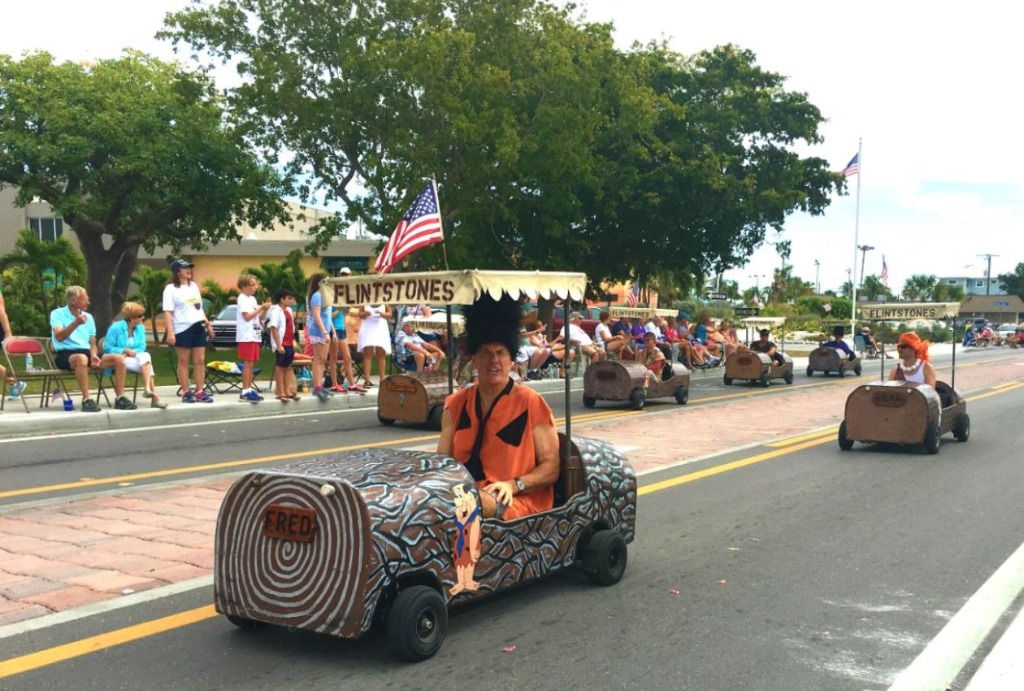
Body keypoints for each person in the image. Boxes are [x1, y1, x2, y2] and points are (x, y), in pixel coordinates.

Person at [437, 294, 560, 520]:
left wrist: (515, 485)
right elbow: (441, 464)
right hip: (463, 495)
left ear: (511, 360)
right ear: (474, 358)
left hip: (517, 500)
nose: (494, 360)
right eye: (485, 353)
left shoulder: (530, 402)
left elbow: (551, 467)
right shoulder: (455, 404)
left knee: (473, 504)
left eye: (500, 353)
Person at [51, 286, 135, 412]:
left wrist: (94, 354)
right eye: (85, 299)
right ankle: (86, 400)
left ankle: (120, 398)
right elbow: (59, 337)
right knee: (82, 358)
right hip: (66, 354)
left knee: (119, 359)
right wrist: (76, 323)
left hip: (87, 352)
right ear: (74, 300)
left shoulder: (88, 317)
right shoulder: (57, 314)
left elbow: (93, 342)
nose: (88, 302)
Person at [163, 259, 215, 403]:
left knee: (200, 360)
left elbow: (198, 307)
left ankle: (200, 391)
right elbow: (168, 312)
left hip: (197, 326)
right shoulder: (171, 289)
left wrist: (207, 323)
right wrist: (171, 332)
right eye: (185, 268)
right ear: (177, 272)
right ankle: (186, 391)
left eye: (189, 268)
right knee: (184, 361)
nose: (188, 270)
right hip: (181, 327)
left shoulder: (193, 286)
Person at [104, 301, 167, 409]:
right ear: (131, 318)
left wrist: (133, 353)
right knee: (148, 365)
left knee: (145, 356)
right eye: (140, 316)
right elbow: (108, 348)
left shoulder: (140, 328)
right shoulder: (115, 328)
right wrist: (124, 350)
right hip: (119, 359)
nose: (142, 318)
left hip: (135, 357)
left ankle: (148, 389)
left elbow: (142, 346)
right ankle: (154, 397)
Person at [327, 267, 365, 394]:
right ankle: (334, 384)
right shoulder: (331, 299)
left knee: (347, 357)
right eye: (342, 274)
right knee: (333, 358)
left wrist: (344, 309)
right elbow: (328, 317)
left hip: (341, 328)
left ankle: (352, 384)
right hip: (334, 329)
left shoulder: (344, 296)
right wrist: (340, 309)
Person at [235, 274, 270, 403]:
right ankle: (245, 390)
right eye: (252, 285)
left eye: (255, 285)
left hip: (254, 334)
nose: (255, 287)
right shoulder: (242, 299)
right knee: (247, 364)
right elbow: (247, 317)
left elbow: (258, 317)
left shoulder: (252, 300)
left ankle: (249, 389)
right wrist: (261, 307)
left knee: (251, 363)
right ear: (244, 286)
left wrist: (264, 309)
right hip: (246, 335)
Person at [266, 288, 302, 402]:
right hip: (282, 343)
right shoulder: (276, 311)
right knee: (280, 367)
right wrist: (278, 345)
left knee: (287, 366)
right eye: (289, 298)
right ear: (282, 299)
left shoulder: (289, 311)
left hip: (289, 343)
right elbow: (274, 328)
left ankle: (288, 390)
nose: (292, 300)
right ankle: (280, 391)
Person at [306, 273, 335, 402]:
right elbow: (317, 316)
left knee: (323, 359)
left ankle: (320, 384)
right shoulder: (317, 296)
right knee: (318, 359)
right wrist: (324, 332)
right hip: (318, 331)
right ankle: (316, 386)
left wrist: (332, 331)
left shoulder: (326, 296)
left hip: (326, 330)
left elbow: (328, 316)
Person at [357, 302, 393, 387]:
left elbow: (390, 313)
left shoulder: (384, 302)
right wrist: (364, 314)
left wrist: (383, 314)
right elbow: (359, 314)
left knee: (381, 354)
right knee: (367, 354)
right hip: (367, 327)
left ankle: (382, 379)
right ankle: (367, 380)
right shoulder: (365, 302)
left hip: (380, 327)